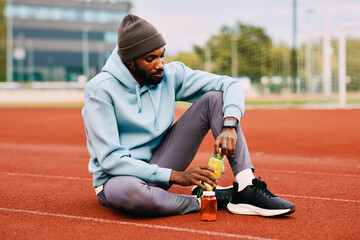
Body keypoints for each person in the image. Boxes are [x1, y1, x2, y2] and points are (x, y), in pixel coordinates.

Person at [82, 14, 295, 217]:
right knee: (133, 193)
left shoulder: (169, 75)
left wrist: (230, 124)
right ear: (130, 61)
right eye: (150, 59)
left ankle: (246, 187)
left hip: (161, 162)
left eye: (161, 55)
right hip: (119, 179)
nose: (160, 64)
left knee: (215, 98)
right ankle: (205, 200)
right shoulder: (100, 90)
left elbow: (229, 84)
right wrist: (178, 177)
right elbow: (111, 160)